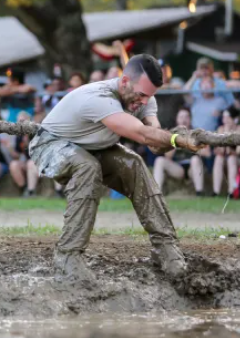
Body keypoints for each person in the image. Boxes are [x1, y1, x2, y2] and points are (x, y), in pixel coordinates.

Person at [29, 54, 205, 281]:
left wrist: (180, 136)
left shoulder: (145, 99)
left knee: (134, 163)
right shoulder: (98, 98)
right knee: (87, 167)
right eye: (140, 95)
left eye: (149, 96)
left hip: (92, 147)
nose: (144, 102)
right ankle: (68, 256)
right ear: (124, 82)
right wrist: (175, 141)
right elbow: (142, 134)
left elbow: (154, 142)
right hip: (51, 145)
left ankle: (166, 248)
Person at [153, 108, 207, 197]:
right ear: (177, 120)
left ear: (190, 119)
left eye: (186, 117)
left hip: (193, 169)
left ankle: (199, 193)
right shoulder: (171, 134)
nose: (184, 119)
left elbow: (207, 153)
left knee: (194, 159)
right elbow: (167, 157)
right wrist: (176, 139)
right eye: (181, 117)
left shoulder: (197, 133)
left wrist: (191, 144)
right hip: (178, 169)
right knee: (159, 160)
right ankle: (156, 194)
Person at [212, 107, 240, 197]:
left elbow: (238, 152)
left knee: (231, 159)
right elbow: (219, 150)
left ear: (235, 119)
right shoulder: (221, 129)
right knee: (218, 159)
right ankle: (216, 192)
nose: (225, 120)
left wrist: (227, 136)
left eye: (228, 117)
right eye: (224, 117)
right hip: (225, 159)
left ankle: (231, 192)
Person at [8, 112, 38, 197]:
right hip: (26, 162)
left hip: (37, 162)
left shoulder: (35, 133)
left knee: (30, 163)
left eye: (23, 121)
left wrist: (28, 143)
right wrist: (10, 149)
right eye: (19, 121)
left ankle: (31, 191)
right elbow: (18, 155)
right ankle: (24, 188)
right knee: (13, 164)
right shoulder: (19, 136)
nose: (21, 124)